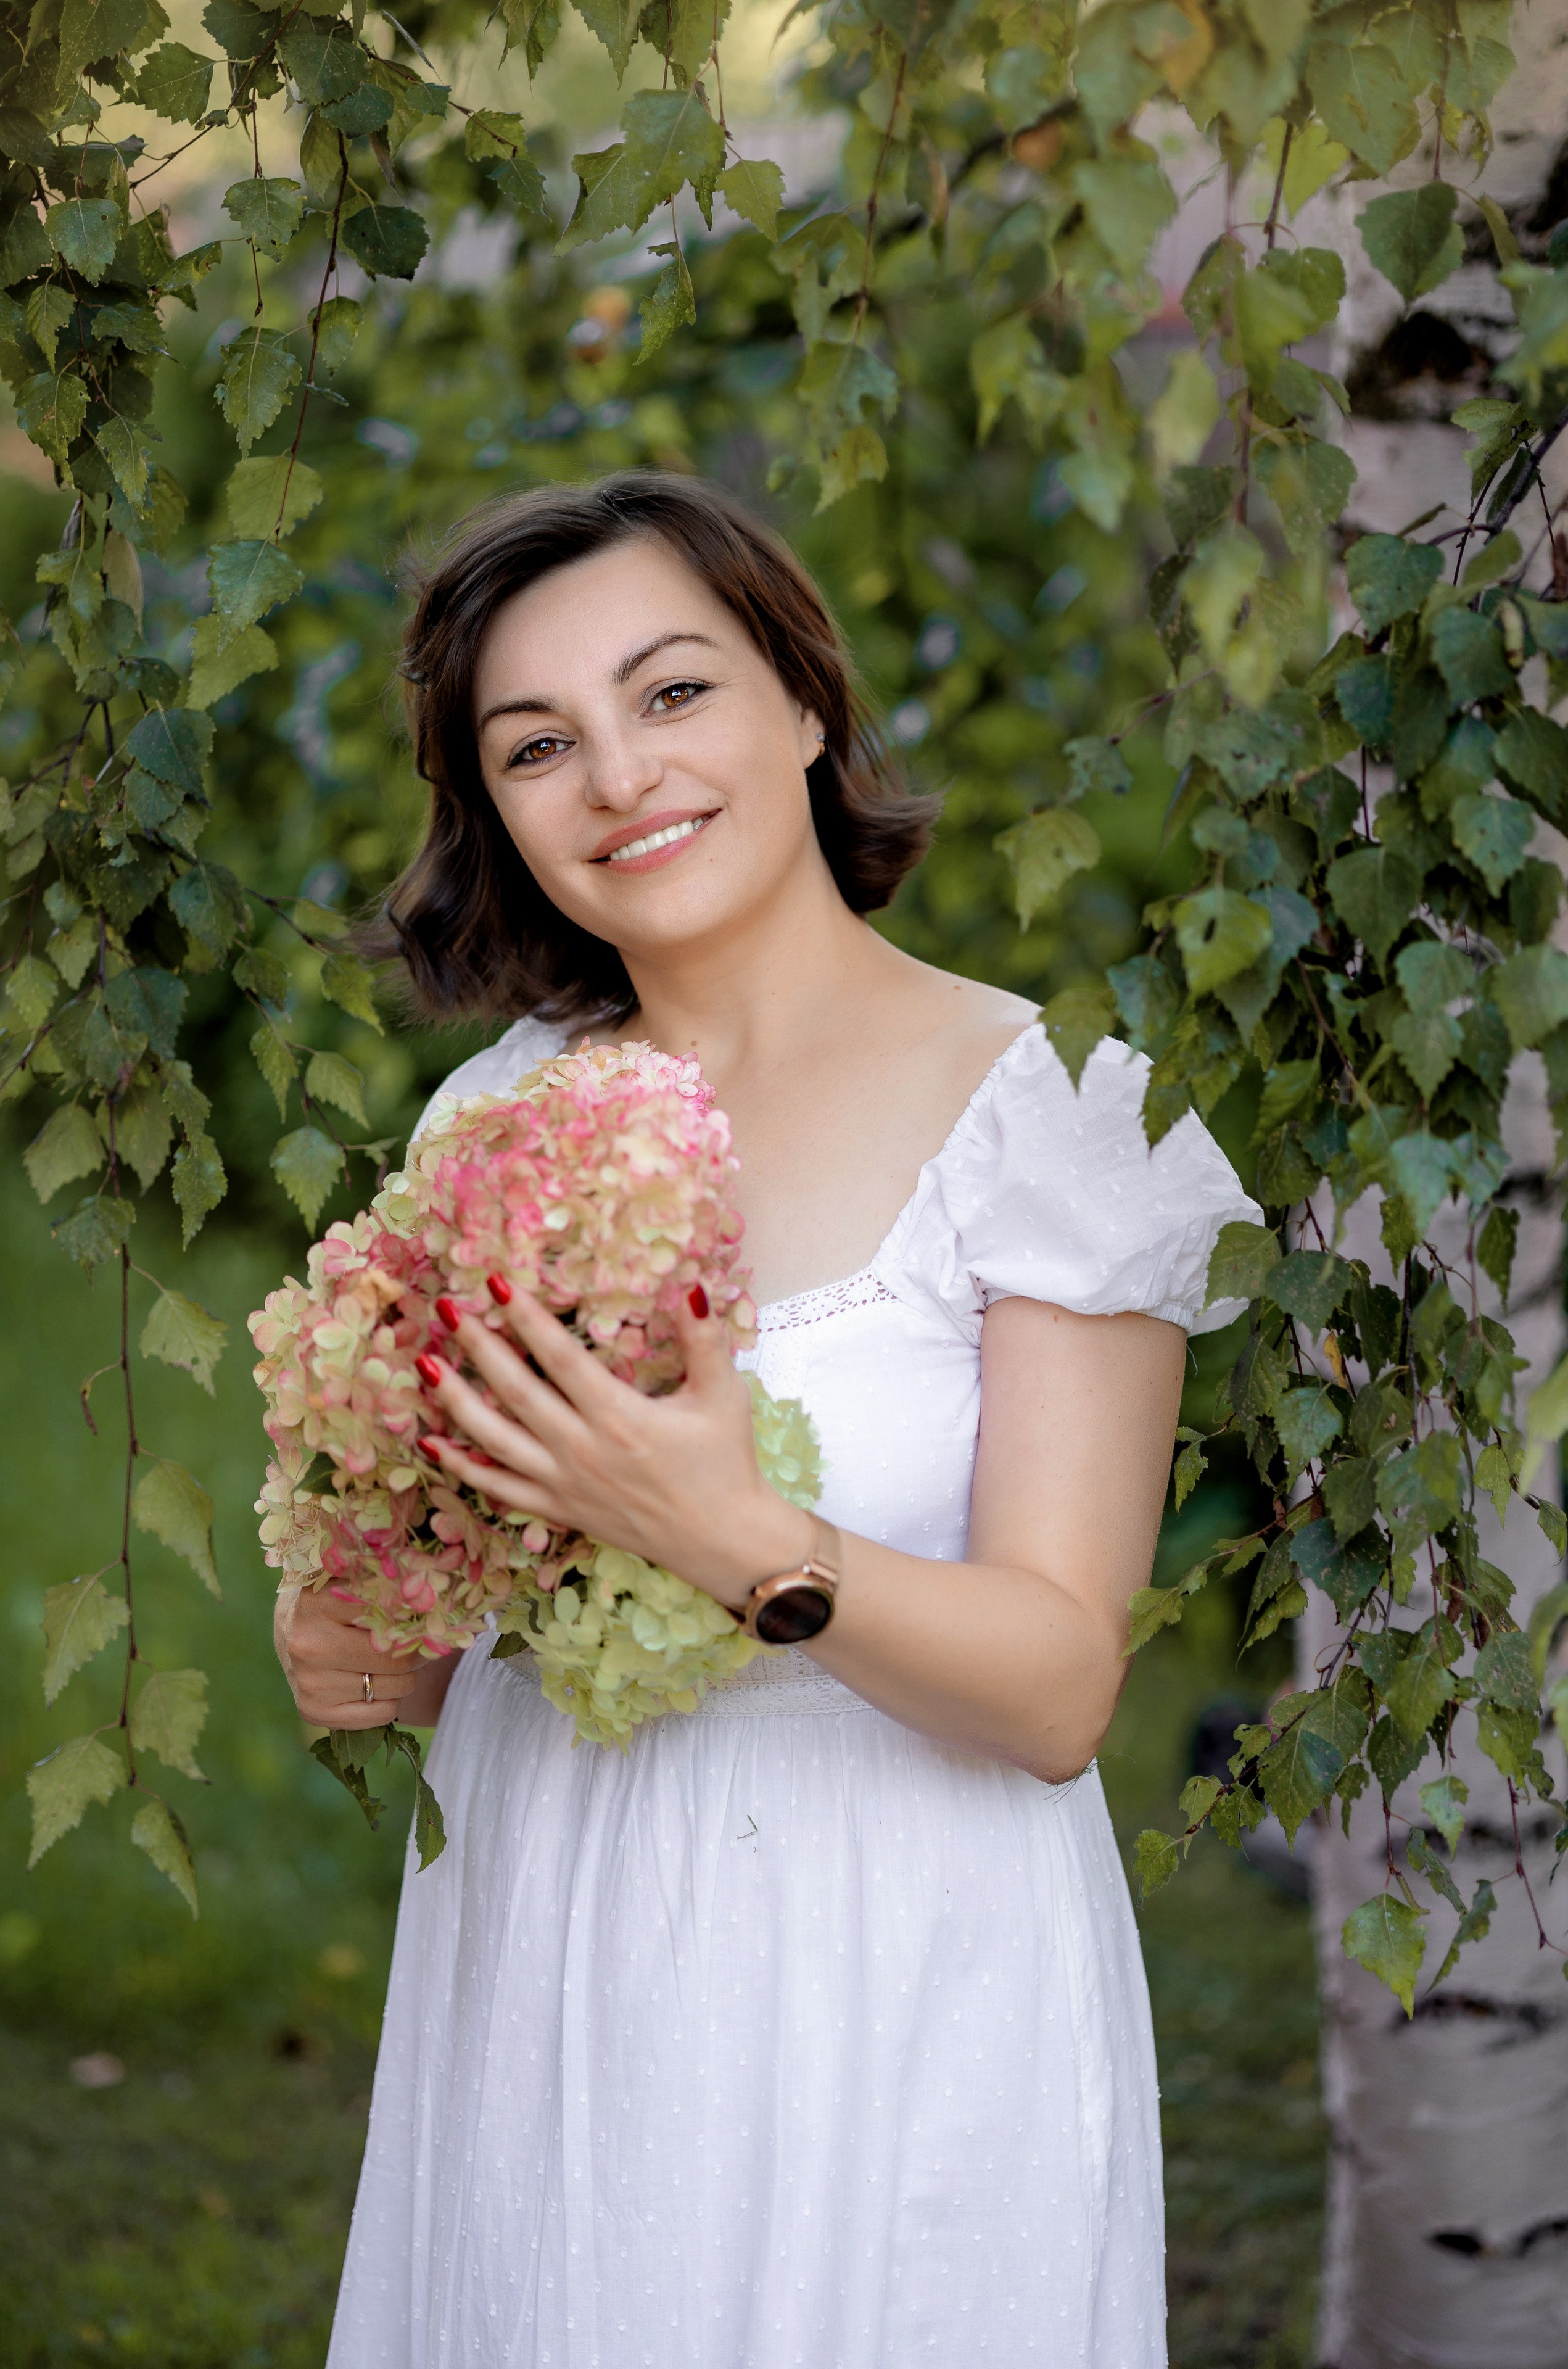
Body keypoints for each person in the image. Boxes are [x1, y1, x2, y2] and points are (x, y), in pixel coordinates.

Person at [277, 470, 1259, 2368]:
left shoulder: (1058, 1113)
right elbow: (435, 1636)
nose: (619, 778)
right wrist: (364, 1637)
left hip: (894, 1962)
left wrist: (728, 1534)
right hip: (555, 1946)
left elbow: (1060, 1692)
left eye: (672, 694)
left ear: (804, 703)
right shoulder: (494, 1121)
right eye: (536, 743)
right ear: (492, 808)